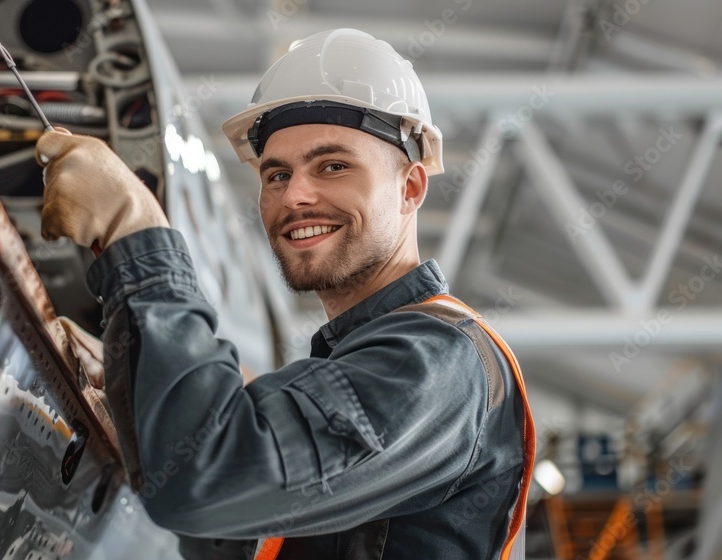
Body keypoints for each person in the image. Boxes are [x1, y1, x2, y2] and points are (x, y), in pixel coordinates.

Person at [36, 28, 535, 560]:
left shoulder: (439, 361)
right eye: (277, 174)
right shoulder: (362, 363)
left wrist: (134, 237)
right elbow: (225, 529)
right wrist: (134, 383)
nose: (295, 196)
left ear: (411, 187)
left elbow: (205, 480)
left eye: (333, 166)